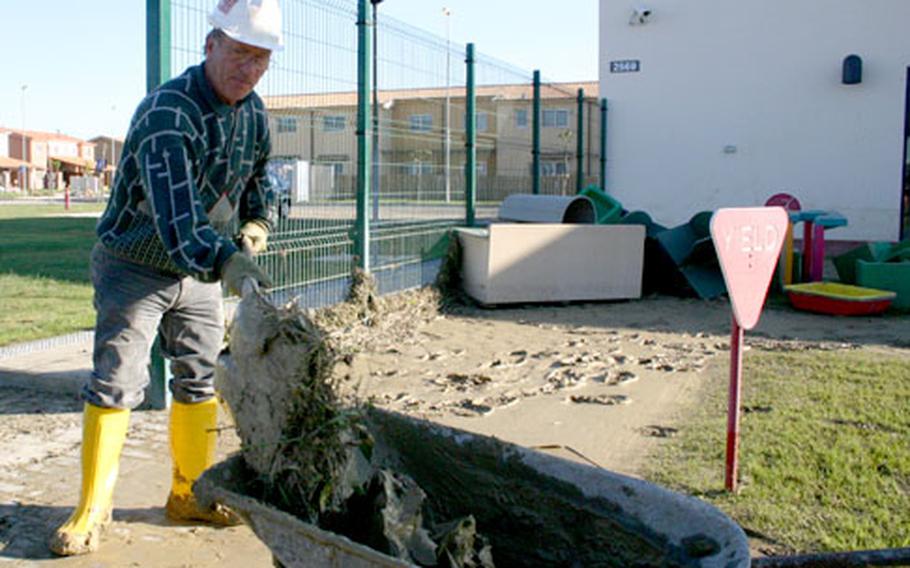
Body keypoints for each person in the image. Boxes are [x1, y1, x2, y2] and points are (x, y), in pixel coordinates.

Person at [49, 0, 283, 556]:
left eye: (260, 60)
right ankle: (91, 510)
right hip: (136, 264)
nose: (248, 70)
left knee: (201, 376)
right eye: (239, 54)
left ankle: (190, 494)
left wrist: (257, 221)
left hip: (200, 266)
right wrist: (227, 260)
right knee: (117, 381)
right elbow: (177, 220)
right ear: (210, 47)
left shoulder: (254, 114)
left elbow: (261, 180)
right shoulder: (167, 114)